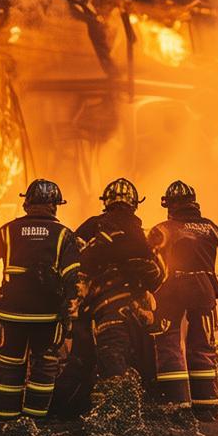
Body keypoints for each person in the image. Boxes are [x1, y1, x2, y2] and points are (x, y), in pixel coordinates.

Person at [49, 178, 164, 418]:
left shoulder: (94, 226)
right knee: (134, 364)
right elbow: (160, 275)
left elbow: (72, 261)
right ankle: (135, 414)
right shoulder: (142, 235)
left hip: (99, 310)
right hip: (136, 312)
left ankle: (66, 411)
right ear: (135, 203)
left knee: (87, 362)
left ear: (106, 201)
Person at [0, 180, 78, 420]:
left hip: (11, 315)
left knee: (8, 366)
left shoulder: (7, 231)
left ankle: (3, 419)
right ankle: (35, 423)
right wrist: (71, 309)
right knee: (44, 366)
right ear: (55, 206)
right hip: (47, 317)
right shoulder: (63, 235)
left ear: (27, 203)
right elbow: (74, 278)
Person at [147, 181, 218, 420]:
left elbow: (146, 261)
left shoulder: (162, 228)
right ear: (194, 203)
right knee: (203, 344)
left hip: (171, 289)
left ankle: (175, 403)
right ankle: (207, 404)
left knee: (168, 341)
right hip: (204, 288)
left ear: (169, 205)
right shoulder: (211, 227)